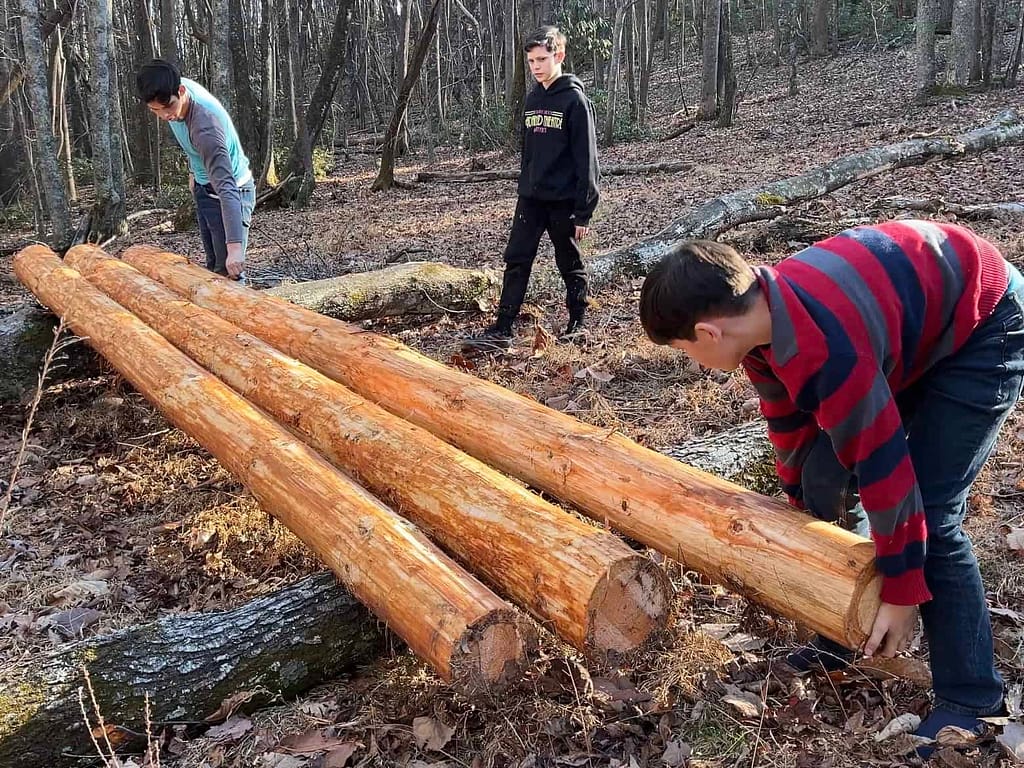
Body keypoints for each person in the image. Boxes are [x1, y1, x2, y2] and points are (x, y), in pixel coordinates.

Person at [638, 220, 1021, 754]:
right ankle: (840, 633)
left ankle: (971, 698)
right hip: (911, 327)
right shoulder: (763, 319)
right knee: (821, 479)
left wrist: (902, 590)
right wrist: (804, 509)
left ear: (709, 333)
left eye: (684, 349)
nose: (691, 361)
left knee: (932, 513)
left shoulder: (829, 348)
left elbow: (885, 466)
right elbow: (791, 425)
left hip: (983, 322)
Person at [465, 25, 599, 351]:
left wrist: (584, 211)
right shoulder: (533, 97)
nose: (536, 66)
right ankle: (503, 328)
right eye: (531, 61)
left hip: (564, 201)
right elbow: (528, 150)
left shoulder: (575, 101)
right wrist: (526, 183)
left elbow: (587, 160)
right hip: (531, 199)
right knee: (517, 259)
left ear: (559, 56)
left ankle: (577, 322)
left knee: (569, 261)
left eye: (542, 59)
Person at [136, 59, 255, 280]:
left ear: (181, 91)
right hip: (205, 187)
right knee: (213, 268)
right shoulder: (169, 87)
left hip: (230, 195)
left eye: (168, 107)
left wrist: (235, 247)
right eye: (155, 110)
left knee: (228, 274)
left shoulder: (206, 128)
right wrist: (194, 172)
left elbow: (227, 189)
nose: (165, 116)